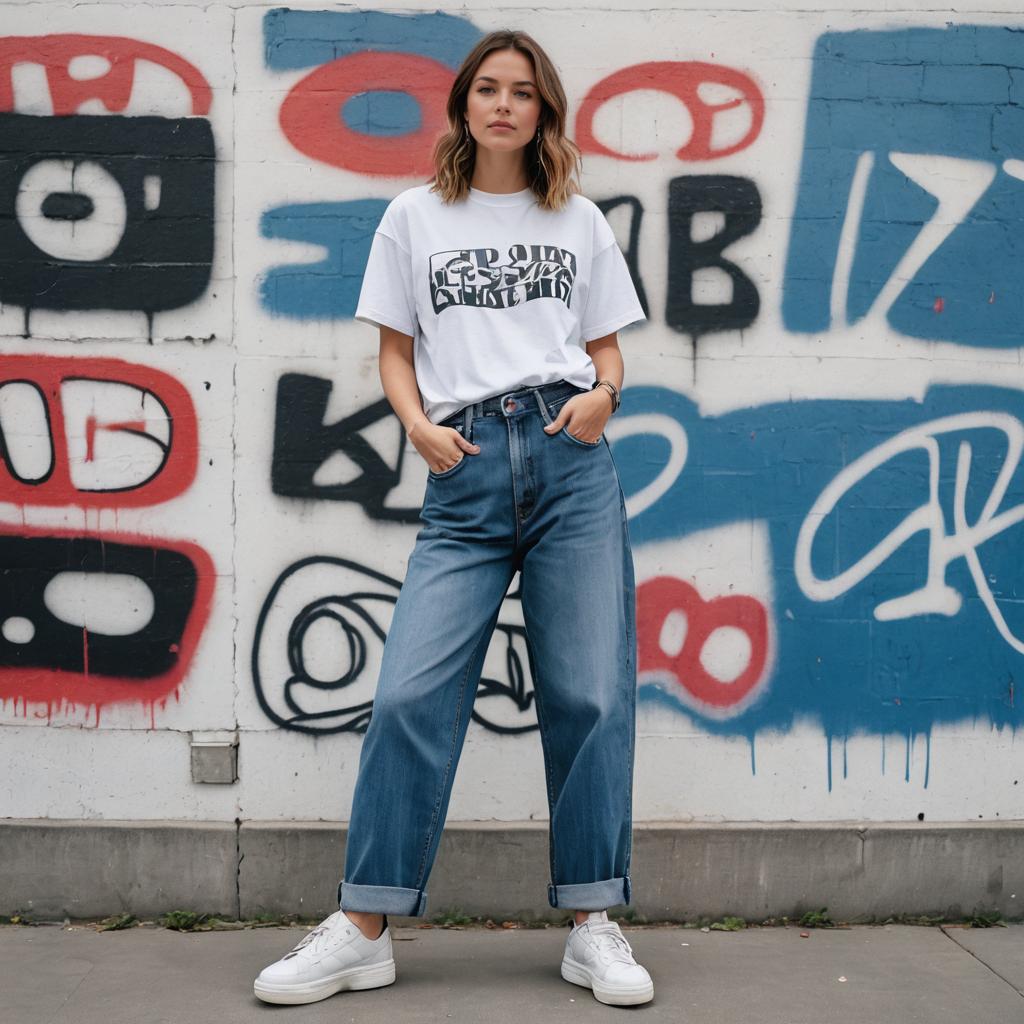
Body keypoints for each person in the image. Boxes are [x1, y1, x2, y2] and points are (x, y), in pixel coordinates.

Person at [254, 28, 652, 1008]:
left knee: (590, 696)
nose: (504, 104)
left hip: (569, 464)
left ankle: (593, 924)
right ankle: (363, 927)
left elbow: (606, 348)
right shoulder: (414, 217)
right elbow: (394, 351)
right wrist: (417, 426)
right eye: (488, 89)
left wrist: (603, 396)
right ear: (464, 105)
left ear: (543, 109)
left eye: (522, 91)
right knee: (407, 697)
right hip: (464, 468)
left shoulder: (577, 220)